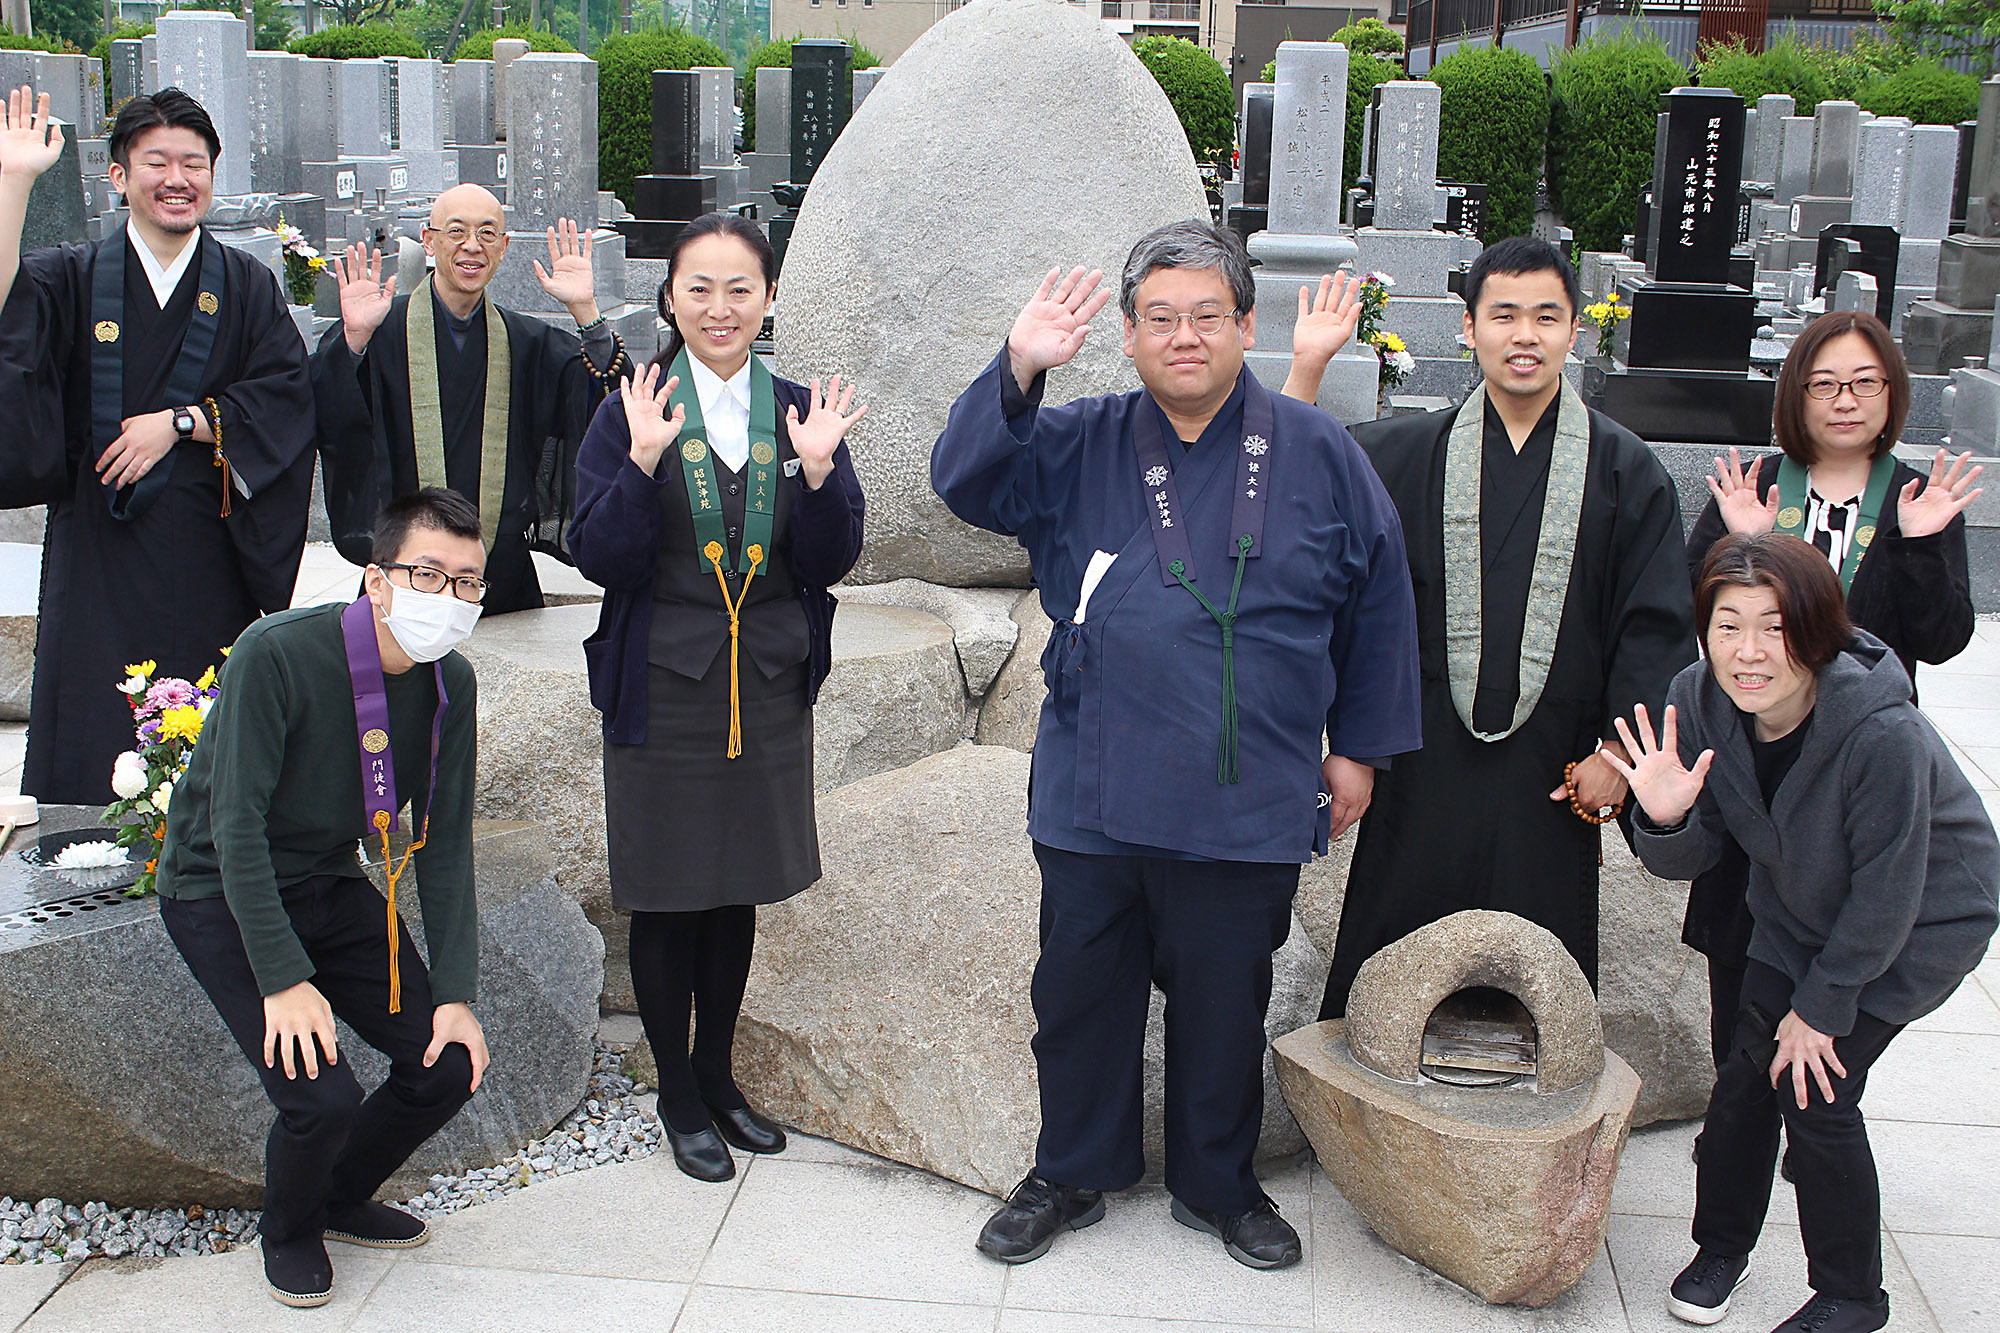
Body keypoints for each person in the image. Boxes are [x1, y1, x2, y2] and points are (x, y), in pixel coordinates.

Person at [932, 220, 1420, 1271]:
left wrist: (1359, 748)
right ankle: (1068, 1168)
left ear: (1246, 325)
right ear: (1125, 333)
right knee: (1076, 990)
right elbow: (964, 484)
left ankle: (1216, 1182)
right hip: (1095, 778)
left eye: (1206, 315)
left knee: (1221, 993)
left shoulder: (1317, 451)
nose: (1184, 336)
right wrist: (1019, 365)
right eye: (1160, 318)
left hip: (1247, 789)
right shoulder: (1079, 440)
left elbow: (1378, 599)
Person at [1288, 236, 1697, 1019]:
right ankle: (1372, 1130)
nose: (1525, 335)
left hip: (1557, 772)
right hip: (1418, 766)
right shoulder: (1399, 454)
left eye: (1546, 316)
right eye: (1503, 314)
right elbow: (1292, 493)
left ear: (1573, 331)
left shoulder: (1625, 471)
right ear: (1468, 329)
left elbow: (1655, 623)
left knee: (1536, 999)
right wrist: (1307, 368)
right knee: (1391, 991)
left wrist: (1617, 752)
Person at [1607, 532, 1997, 1333]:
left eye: (1775, 626)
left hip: (1923, 916)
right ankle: (1721, 1249)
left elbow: (1889, 891)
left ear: (1816, 627)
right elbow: (1697, 852)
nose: (1749, 651)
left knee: (1814, 1087)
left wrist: (1821, 1009)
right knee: (1746, 1072)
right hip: (1796, 900)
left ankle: (1854, 1295)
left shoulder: (1880, 731)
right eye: (1728, 624)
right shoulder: (1704, 697)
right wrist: (1665, 815)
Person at [567, 211, 865, 1184]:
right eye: (699, 287)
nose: (719, 306)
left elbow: (828, 562)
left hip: (767, 679)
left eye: (740, 287)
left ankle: (716, 1071)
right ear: (669, 298)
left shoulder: (796, 409)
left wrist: (818, 475)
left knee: (734, 887)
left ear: (769, 297)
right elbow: (599, 555)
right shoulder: (632, 405)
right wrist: (644, 461)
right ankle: (674, 1093)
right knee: (667, 895)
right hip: (663, 682)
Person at [156, 487, 492, 1309]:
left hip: (327, 877)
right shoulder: (278, 651)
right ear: (378, 580)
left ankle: (338, 1195)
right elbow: (233, 829)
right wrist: (281, 976)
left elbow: (444, 843)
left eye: (469, 582)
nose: (447, 598)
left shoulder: (452, 684)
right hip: (217, 887)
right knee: (321, 1093)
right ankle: (291, 1229)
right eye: (428, 573)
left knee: (445, 1064)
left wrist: (454, 993)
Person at [1681, 309, 1981, 1067]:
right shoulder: (1758, 484)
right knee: (1743, 947)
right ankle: (1739, 1106)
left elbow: (1943, 638)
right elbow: (1702, 610)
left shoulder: (1917, 496)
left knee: (1848, 932)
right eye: (1824, 384)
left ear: (1891, 392)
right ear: (1797, 393)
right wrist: (1737, 538)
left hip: (1856, 762)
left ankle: (1814, 1102)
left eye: (1864, 383)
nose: (1844, 400)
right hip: (1759, 755)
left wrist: (1918, 547)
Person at [0, 85, 315, 804]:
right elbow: (5, 316)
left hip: (209, 548)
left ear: (212, 173)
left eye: (194, 163)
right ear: (120, 176)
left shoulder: (245, 284)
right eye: (156, 162)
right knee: (90, 725)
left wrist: (179, 421)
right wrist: (13, 184)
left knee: (208, 753)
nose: (177, 179)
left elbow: (283, 397)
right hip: (97, 553)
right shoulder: (71, 275)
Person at [313, 185, 635, 612]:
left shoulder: (527, 341)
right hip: (407, 573)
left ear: (503, 247)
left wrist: (587, 312)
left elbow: (610, 395)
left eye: (487, 234)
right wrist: (353, 342)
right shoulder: (380, 332)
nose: (472, 246)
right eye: (456, 231)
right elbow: (328, 411)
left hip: (501, 576)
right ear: (429, 241)